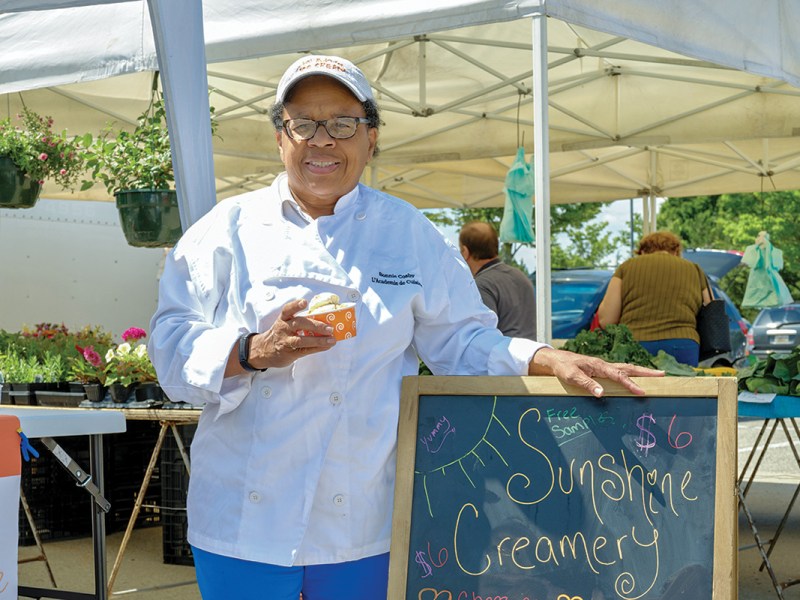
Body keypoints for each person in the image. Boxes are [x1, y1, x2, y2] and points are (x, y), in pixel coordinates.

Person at [148, 54, 663, 600]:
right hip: (241, 519)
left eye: (343, 124)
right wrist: (254, 350)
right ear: (280, 138)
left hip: (361, 519)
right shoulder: (225, 230)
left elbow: (462, 339)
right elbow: (171, 343)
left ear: (371, 139)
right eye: (304, 123)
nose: (323, 140)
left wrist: (544, 358)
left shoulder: (409, 233)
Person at [596, 230, 711, 366]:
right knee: (682, 386)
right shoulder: (695, 269)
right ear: (675, 251)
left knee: (637, 387)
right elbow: (710, 311)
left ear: (643, 251)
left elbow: (607, 320)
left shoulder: (626, 267)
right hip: (683, 344)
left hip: (634, 346)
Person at [459, 221, 537, 340]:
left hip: (505, 356)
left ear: (465, 252)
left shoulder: (482, 285)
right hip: (531, 354)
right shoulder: (520, 276)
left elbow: (482, 337)